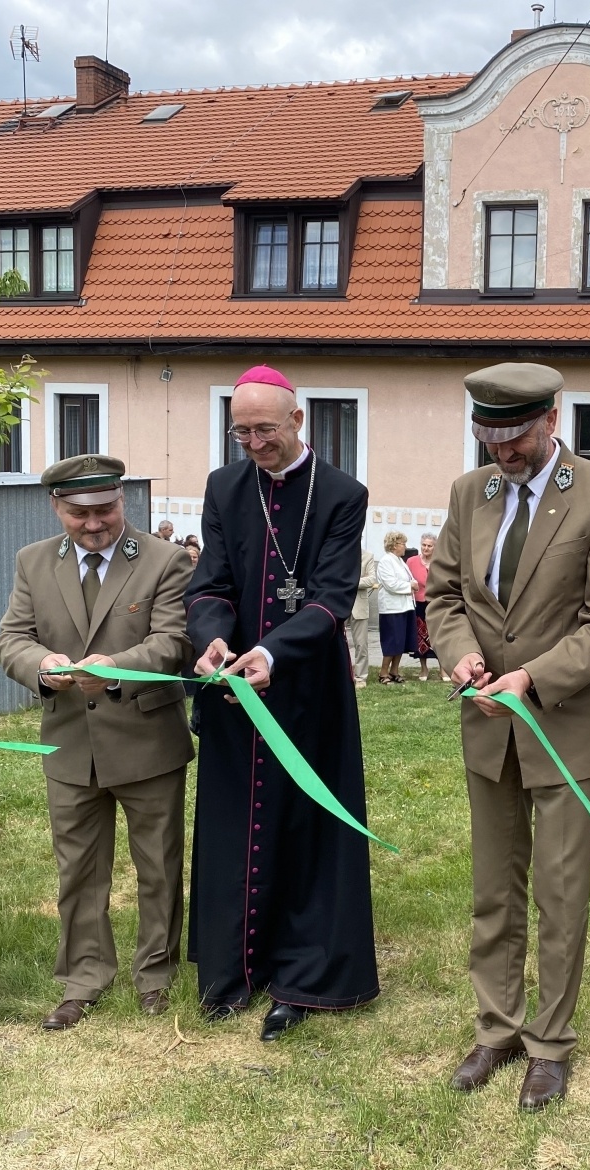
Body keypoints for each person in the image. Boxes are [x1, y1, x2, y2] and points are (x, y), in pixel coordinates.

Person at [426, 362, 590, 1112]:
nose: (502, 452)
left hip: (563, 730)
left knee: (559, 890)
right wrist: (460, 655)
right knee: (493, 889)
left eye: (514, 436)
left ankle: (549, 1042)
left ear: (553, 417)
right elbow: (444, 594)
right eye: (488, 436)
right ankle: (497, 1027)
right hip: (486, 729)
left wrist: (531, 680)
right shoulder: (469, 492)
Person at [185, 364, 379, 1040]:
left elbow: (332, 597)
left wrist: (272, 652)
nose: (253, 443)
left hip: (306, 691)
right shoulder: (223, 487)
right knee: (237, 823)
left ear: (298, 422)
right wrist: (212, 641)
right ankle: (234, 966)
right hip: (234, 689)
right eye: (241, 432)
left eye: (264, 429)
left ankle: (302, 977)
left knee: (305, 830)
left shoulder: (342, 494)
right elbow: (209, 584)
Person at [0, 455, 195, 1030]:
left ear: (121, 501)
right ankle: (83, 978)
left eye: (104, 508)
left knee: (158, 866)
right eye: (78, 512)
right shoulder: (33, 562)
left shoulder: (165, 560)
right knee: (78, 870)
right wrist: (42, 663)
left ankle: (156, 975)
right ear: (56, 508)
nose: (93, 523)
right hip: (68, 745)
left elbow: (173, 641)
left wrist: (117, 667)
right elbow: (12, 639)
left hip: (146, 740)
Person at [376, 531, 417, 685]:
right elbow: (390, 584)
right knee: (392, 641)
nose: (405, 547)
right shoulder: (386, 561)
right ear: (394, 545)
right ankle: (383, 672)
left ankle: (394, 670)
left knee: (401, 641)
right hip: (392, 608)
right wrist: (410, 586)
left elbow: (408, 579)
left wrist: (412, 583)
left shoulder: (400, 561)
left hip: (405, 606)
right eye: (403, 544)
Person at [410, 533, 440, 681]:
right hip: (418, 603)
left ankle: (444, 669)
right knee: (421, 636)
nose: (426, 548)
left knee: (438, 635)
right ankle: (423, 668)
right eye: (424, 545)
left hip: (436, 603)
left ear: (435, 547)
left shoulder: (440, 562)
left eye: (429, 545)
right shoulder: (411, 561)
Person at [348, 544, 378, 688]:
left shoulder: (368, 556)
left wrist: (350, 582)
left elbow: (371, 579)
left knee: (361, 643)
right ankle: (340, 673)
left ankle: (361, 676)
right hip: (338, 603)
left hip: (359, 604)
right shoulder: (340, 553)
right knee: (335, 642)